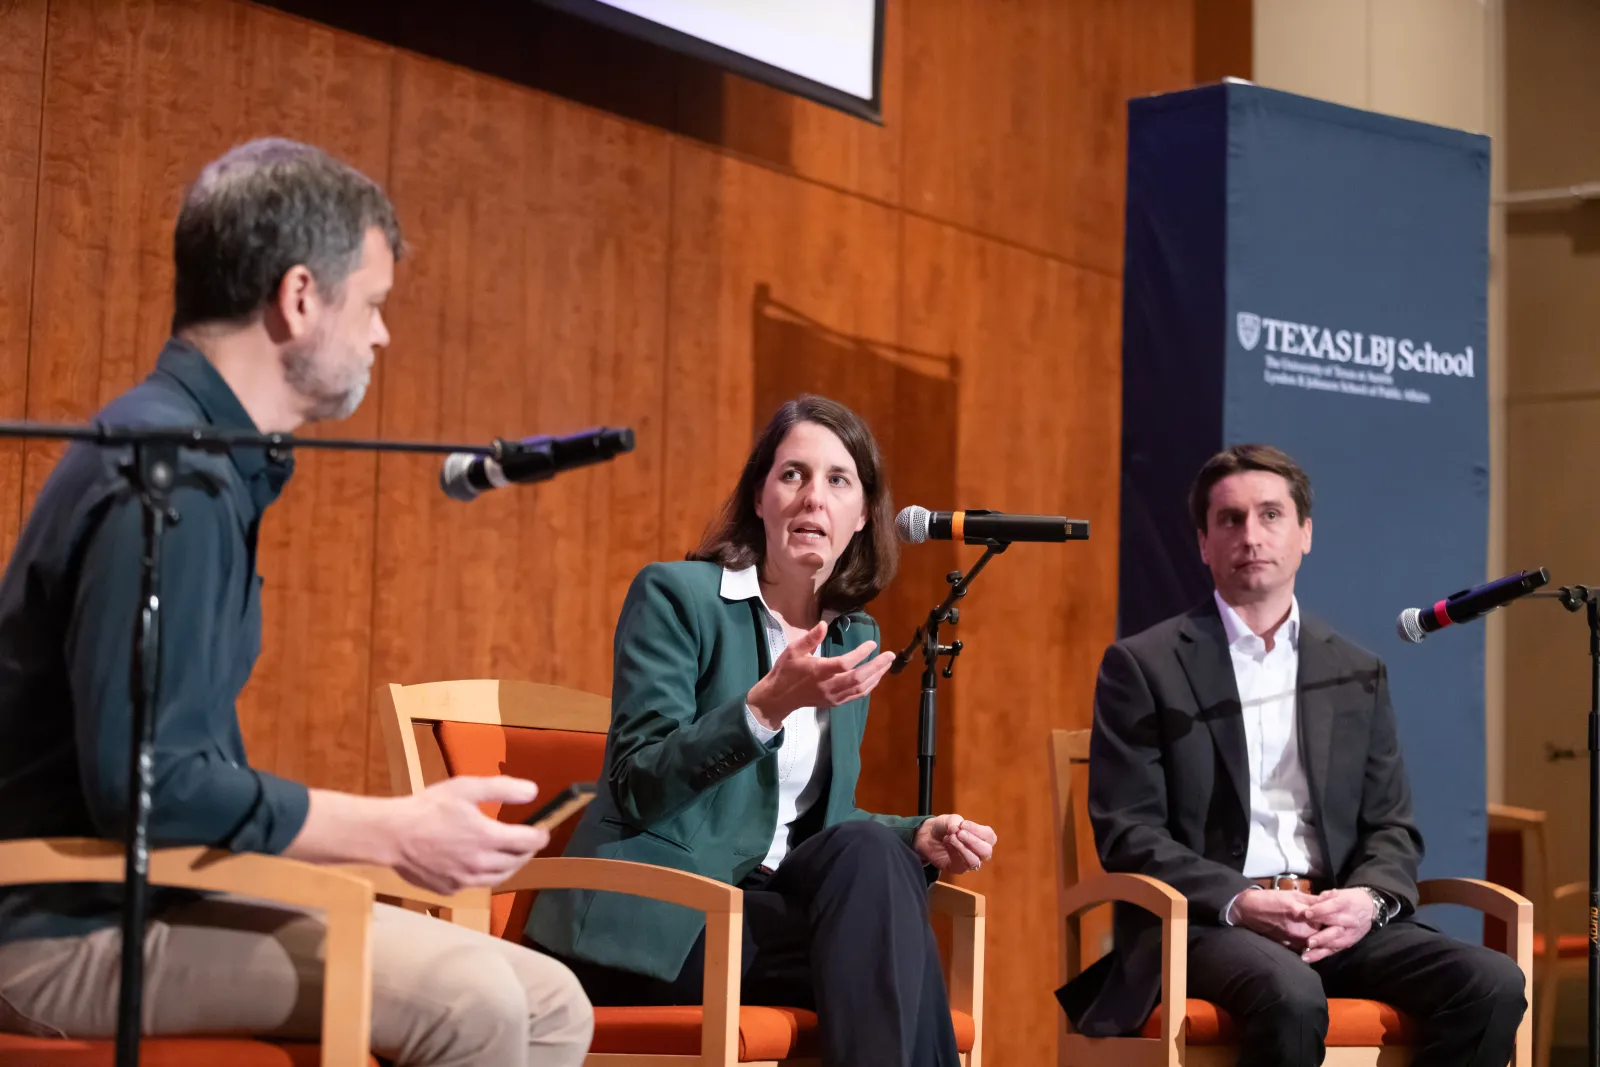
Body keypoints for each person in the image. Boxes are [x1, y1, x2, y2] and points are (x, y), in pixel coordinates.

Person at [0, 138, 593, 1066]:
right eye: (375, 304)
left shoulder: (210, 465)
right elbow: (145, 785)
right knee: (474, 997)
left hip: (155, 895)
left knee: (552, 1000)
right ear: (301, 296)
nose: (382, 336)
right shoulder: (173, 480)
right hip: (56, 927)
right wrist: (395, 830)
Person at [526, 395, 997, 1067]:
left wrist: (913, 833)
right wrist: (761, 709)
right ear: (759, 497)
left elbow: (813, 820)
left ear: (862, 516)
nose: (814, 498)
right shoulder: (678, 597)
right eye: (792, 475)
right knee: (889, 950)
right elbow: (636, 782)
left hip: (765, 922)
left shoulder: (852, 634)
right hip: (664, 924)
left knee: (875, 858)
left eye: (838, 480)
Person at [1056, 443, 1526, 1065]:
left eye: (1271, 515)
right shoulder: (1145, 666)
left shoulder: (1355, 672)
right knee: (1290, 992)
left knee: (1491, 983)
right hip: (1208, 925)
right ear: (1203, 542)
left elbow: (1391, 828)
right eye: (1231, 519)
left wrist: (1367, 901)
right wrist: (1242, 900)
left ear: (1305, 533)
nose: (1252, 535)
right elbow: (1129, 832)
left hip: (1335, 919)